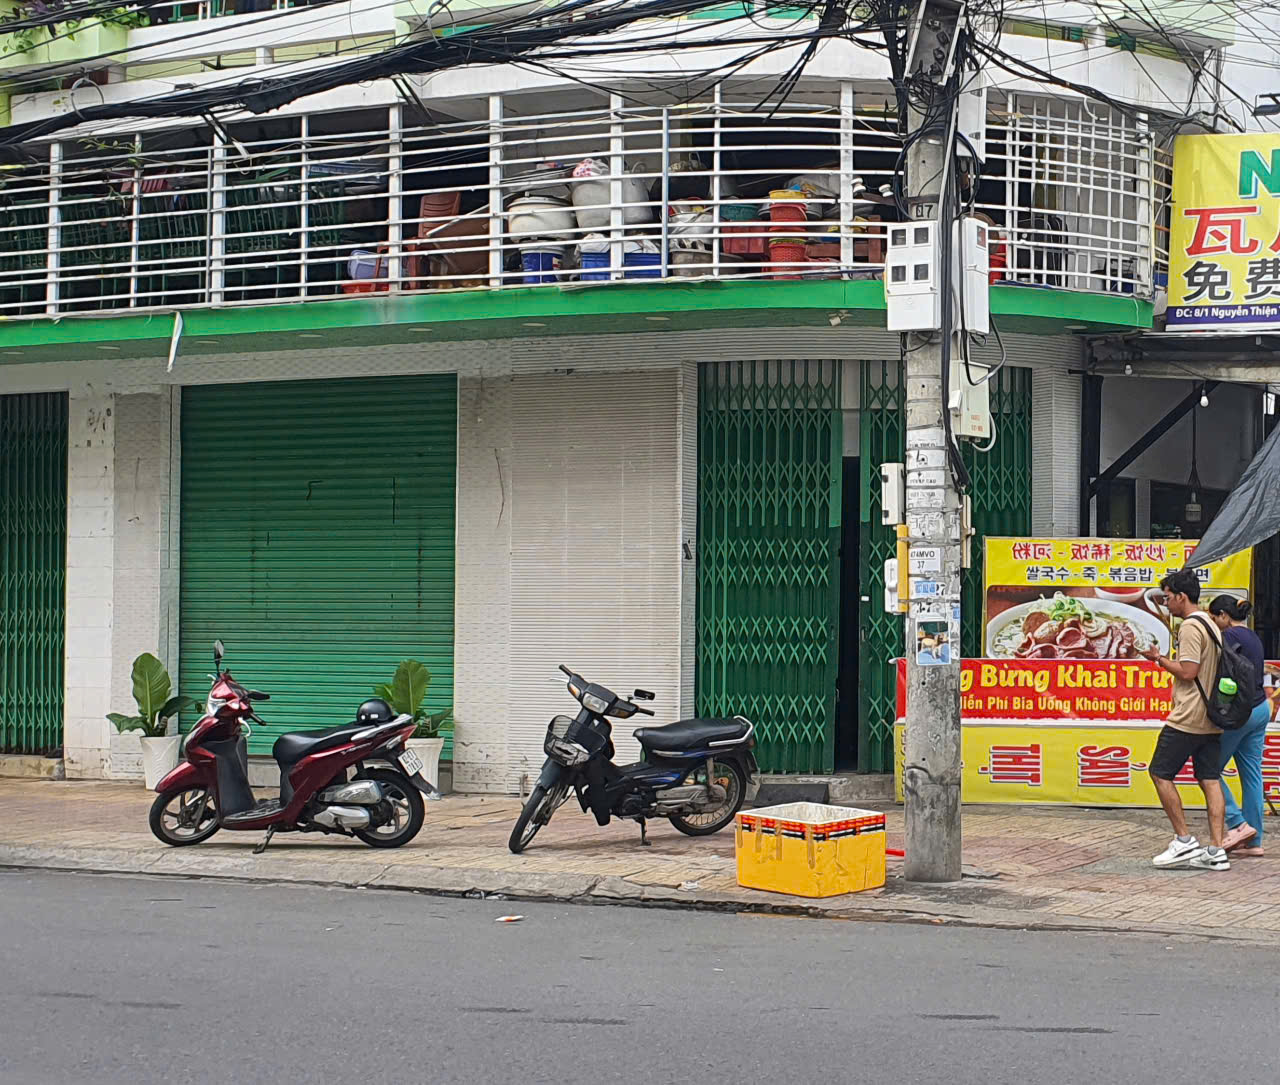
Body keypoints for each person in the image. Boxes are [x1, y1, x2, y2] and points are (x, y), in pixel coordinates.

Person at [1139, 569, 1230, 871]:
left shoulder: (1191, 626)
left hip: (1188, 716)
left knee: (1160, 773)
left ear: (1181, 596)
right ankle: (1216, 849)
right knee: (1210, 779)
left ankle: (1184, 841)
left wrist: (1158, 660)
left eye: (1167, 598)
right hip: (1212, 717)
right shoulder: (1210, 622)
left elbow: (1189, 672)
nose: (1166, 604)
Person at [1209, 595, 1267, 857]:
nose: (1214, 624)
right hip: (1260, 708)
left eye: (1214, 618)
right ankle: (1254, 842)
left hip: (1241, 713)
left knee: (1208, 768)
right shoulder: (1252, 636)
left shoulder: (1230, 637)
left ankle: (1238, 824)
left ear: (1224, 616)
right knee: (1252, 775)